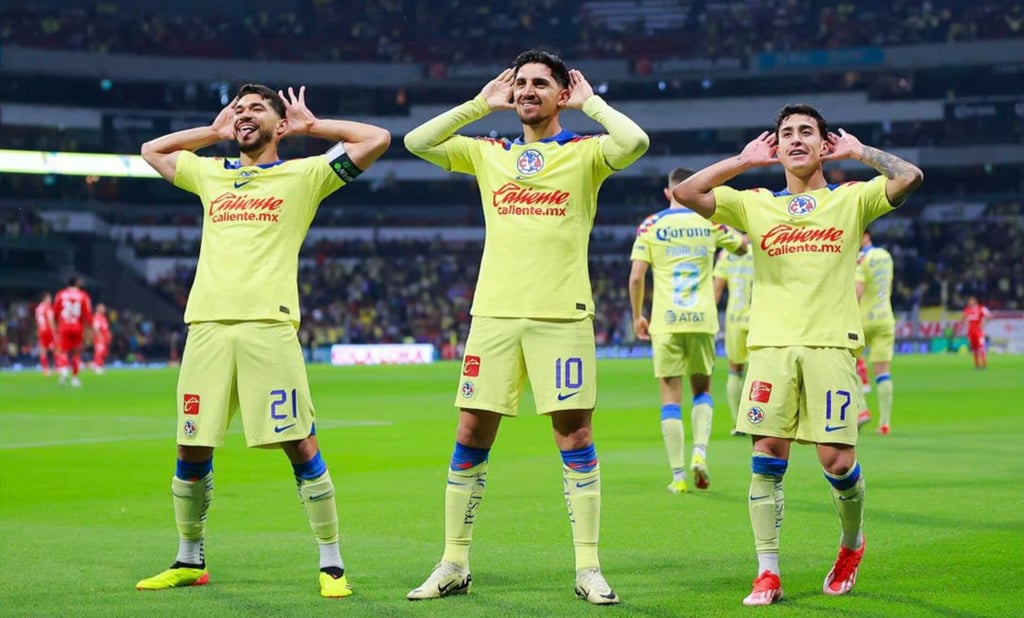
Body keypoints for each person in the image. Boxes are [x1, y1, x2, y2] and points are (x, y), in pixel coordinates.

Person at [403, 49, 648, 605]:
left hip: (562, 313)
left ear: (563, 95)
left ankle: (588, 566)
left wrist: (594, 105)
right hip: (493, 313)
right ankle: (453, 562)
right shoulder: (489, 153)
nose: (526, 91)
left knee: (575, 435)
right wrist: (476, 104)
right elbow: (417, 142)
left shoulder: (585, 153)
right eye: (519, 84)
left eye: (540, 83)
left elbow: (635, 143)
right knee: (470, 432)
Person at [135, 83, 390, 598]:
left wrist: (315, 128)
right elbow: (152, 151)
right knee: (191, 446)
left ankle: (332, 562)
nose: (244, 115)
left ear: (280, 125)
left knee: (299, 443)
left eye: (257, 109)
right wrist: (213, 131)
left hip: (268, 327)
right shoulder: (210, 173)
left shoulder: (306, 174)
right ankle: (189, 558)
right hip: (206, 326)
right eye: (239, 108)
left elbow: (377, 138)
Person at [672, 103, 923, 605]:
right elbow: (686, 192)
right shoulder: (755, 203)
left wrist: (860, 151)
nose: (795, 140)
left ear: (824, 144)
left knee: (836, 462)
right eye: (787, 133)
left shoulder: (851, 199)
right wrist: (743, 161)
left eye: (807, 132)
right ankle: (767, 572)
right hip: (771, 348)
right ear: (777, 145)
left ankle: (851, 543)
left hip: (831, 345)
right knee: (766, 457)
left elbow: (909, 176)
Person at [628, 167, 746, 494]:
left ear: (668, 193)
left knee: (670, 397)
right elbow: (741, 247)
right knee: (702, 390)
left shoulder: (651, 225)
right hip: (703, 319)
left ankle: (678, 475)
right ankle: (700, 452)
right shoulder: (710, 223)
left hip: (665, 321)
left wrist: (639, 315)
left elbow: (637, 276)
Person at [713, 232, 754, 436]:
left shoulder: (727, 253)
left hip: (735, 318)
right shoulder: (765, 244)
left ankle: (739, 422)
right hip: (762, 318)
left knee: (735, 370)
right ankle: (760, 420)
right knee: (762, 372)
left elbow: (717, 288)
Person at [855, 230, 895, 434]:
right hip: (885, 317)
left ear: (864, 236)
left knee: (848, 363)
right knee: (883, 373)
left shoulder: (861, 258)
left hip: (864, 319)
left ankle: (861, 410)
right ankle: (885, 423)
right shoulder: (886, 256)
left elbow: (858, 292)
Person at [52, 276, 93, 387]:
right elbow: (88, 314)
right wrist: (89, 328)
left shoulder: (60, 294)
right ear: (76, 283)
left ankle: (64, 371)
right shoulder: (83, 295)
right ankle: (75, 378)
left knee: (63, 351)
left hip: (64, 326)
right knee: (76, 352)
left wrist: (56, 324)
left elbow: (55, 311)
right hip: (77, 327)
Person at [962, 296, 991, 369]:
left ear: (975, 301)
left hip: (978, 332)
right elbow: (963, 318)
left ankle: (984, 365)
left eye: (971, 301)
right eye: (969, 301)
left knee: (981, 348)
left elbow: (989, 316)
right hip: (971, 332)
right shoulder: (967, 309)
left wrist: (983, 324)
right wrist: (966, 324)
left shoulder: (981, 308)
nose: (969, 303)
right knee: (974, 349)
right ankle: (977, 365)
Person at [34, 292, 57, 376]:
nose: (50, 300)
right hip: (48, 331)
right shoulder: (47, 307)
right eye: (49, 298)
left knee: (43, 351)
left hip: (41, 330)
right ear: (45, 298)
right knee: (56, 349)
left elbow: (37, 321)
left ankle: (45, 370)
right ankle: (57, 368)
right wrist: (54, 331)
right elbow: (50, 320)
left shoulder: (38, 308)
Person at [92, 303, 112, 373]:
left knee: (104, 352)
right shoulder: (97, 317)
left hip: (105, 338)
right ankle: (97, 366)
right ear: (97, 309)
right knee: (99, 352)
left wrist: (108, 336)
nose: (103, 309)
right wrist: (99, 336)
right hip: (100, 338)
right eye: (101, 308)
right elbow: (96, 328)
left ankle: (101, 365)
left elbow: (105, 328)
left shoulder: (103, 317)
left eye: (103, 308)